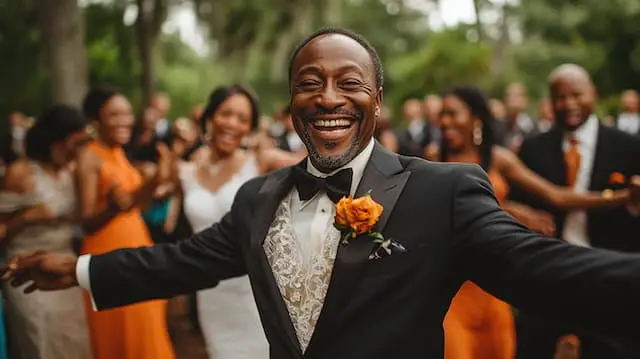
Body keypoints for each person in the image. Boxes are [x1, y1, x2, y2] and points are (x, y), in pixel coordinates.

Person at [3, 28, 640, 359]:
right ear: (291, 106)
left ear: (377, 101)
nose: (329, 97)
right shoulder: (256, 198)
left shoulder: (441, 191)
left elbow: (541, 268)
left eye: (348, 82)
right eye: (311, 82)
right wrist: (80, 268)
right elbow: (182, 260)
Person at [430, 85, 635, 359]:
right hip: (454, 292)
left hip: (493, 289)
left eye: (453, 114)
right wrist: (508, 210)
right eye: (442, 115)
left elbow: (557, 197)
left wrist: (622, 197)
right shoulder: (431, 159)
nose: (445, 122)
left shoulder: (498, 158)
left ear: (475, 118)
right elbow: (436, 213)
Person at [510, 64, 640, 359]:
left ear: (593, 93)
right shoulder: (532, 148)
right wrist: (526, 216)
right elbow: (517, 203)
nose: (568, 104)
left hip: (608, 270)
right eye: (560, 96)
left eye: (576, 95)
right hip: (548, 271)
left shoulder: (629, 147)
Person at [174, 85, 301, 359]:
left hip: (252, 287)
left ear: (250, 127)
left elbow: (316, 166)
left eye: (242, 119)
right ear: (210, 117)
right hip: (209, 289)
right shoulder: (186, 169)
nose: (232, 123)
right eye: (226, 114)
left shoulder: (261, 160)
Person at [74, 86, 176, 359]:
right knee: (122, 333)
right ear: (96, 120)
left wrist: (158, 178)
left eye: (128, 113)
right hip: (107, 253)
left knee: (147, 328)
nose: (125, 120)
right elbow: (85, 221)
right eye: (115, 114)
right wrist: (110, 208)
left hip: (136, 246)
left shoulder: (119, 153)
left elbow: (134, 204)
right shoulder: (89, 156)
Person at [0, 105, 92, 359]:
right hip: (26, 268)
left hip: (65, 268)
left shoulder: (73, 172)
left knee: (74, 342)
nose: (75, 150)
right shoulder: (21, 173)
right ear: (55, 138)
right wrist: (27, 218)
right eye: (73, 142)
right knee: (40, 341)